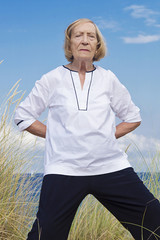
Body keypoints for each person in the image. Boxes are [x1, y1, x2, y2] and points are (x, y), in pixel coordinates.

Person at [14, 18, 160, 240]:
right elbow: (22, 116)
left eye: (91, 36)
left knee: (154, 222)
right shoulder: (52, 79)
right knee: (45, 236)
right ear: (69, 43)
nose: (84, 40)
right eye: (78, 35)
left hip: (111, 167)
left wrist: (104, 137)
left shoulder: (108, 78)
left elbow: (132, 117)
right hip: (64, 169)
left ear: (97, 45)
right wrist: (57, 136)